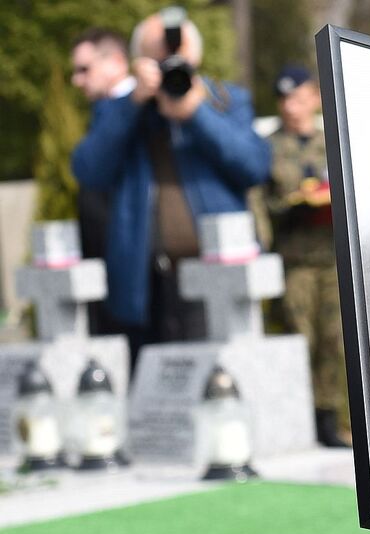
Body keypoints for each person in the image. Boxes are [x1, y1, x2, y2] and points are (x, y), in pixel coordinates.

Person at [71, 8, 270, 364]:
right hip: (149, 287)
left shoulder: (225, 100)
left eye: (176, 56)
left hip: (217, 277)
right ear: (138, 63)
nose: (169, 66)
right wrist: (134, 105)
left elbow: (254, 167)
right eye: (157, 58)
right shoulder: (123, 110)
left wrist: (197, 114)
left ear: (195, 55)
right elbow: (89, 171)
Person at [256, 66, 349, 447]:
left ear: (313, 97)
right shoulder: (268, 147)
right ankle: (299, 419)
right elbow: (262, 203)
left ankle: (336, 420)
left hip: (331, 258)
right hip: (294, 261)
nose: (290, 107)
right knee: (300, 339)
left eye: (297, 98)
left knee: (337, 340)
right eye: (283, 100)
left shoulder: (333, 139)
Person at [70, 28, 134, 336]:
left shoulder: (138, 109)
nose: (77, 80)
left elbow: (89, 167)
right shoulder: (108, 112)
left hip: (136, 270)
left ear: (117, 62)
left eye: (85, 69)